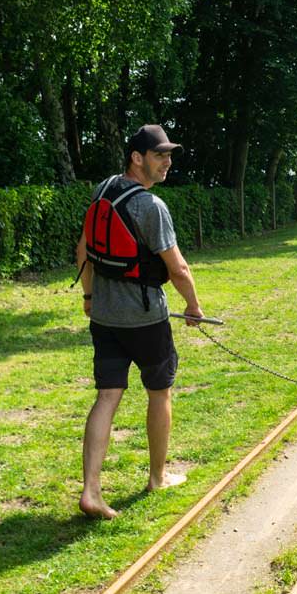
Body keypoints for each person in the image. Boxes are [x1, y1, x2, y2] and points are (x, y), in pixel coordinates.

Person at [76, 124, 204, 520]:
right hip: (147, 319)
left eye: (169, 155)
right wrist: (194, 307)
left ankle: (91, 491)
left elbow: (83, 248)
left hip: (105, 318)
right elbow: (178, 268)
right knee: (159, 392)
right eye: (160, 155)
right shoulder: (151, 207)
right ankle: (157, 477)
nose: (167, 162)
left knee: (107, 395)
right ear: (137, 157)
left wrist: (89, 295)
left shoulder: (104, 190)